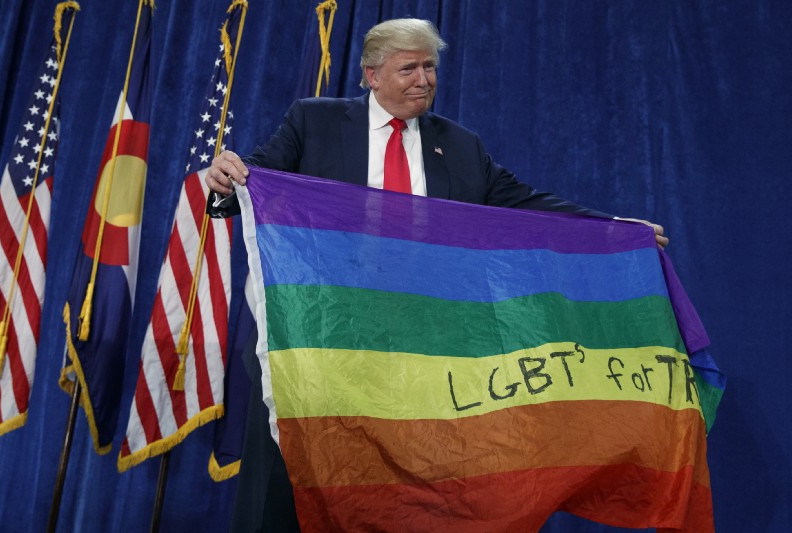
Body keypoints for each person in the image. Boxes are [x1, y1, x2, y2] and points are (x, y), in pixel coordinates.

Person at [206, 18, 668, 532]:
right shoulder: (313, 122)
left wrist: (614, 231)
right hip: (319, 343)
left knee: (403, 497)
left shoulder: (460, 144)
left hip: (416, 354)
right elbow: (253, 184)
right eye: (408, 68)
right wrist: (226, 181)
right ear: (370, 76)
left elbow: (527, 205)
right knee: (287, 485)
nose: (423, 79)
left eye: (429, 67)